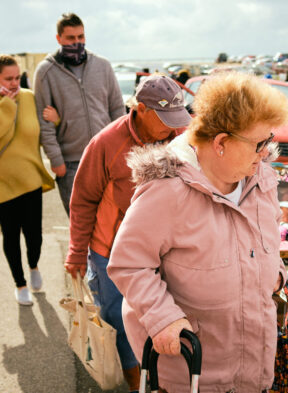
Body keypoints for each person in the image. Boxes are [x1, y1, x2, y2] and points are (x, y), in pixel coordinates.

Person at [107, 72, 288, 392]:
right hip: (192, 377)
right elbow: (128, 263)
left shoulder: (261, 179)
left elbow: (267, 234)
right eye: (259, 143)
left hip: (254, 370)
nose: (266, 152)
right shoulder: (167, 190)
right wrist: (162, 317)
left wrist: (274, 274)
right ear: (220, 142)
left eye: (270, 140)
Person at [63, 74, 192, 393]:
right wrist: (77, 252)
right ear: (141, 110)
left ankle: (163, 380)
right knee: (119, 321)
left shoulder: (180, 137)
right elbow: (82, 200)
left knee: (164, 316)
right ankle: (136, 384)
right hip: (113, 251)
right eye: (165, 120)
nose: (172, 128)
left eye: (177, 119)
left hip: (165, 249)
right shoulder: (107, 143)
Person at [0, 55, 55, 305]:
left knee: (34, 234)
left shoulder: (28, 97)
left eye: (18, 77)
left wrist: (54, 120)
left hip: (29, 178)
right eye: (8, 78)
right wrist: (5, 106)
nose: (15, 83)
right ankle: (20, 283)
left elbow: (41, 130)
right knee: (11, 236)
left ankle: (34, 266)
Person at [33, 12, 124, 216]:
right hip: (71, 163)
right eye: (70, 38)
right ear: (59, 39)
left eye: (80, 37)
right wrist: (57, 162)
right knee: (81, 226)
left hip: (106, 158)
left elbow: (117, 110)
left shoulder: (102, 65)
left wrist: (119, 150)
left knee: (112, 222)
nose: (77, 42)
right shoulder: (45, 72)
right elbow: (43, 121)